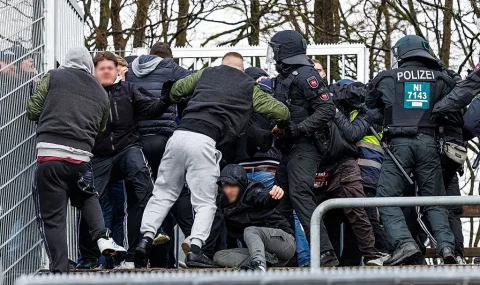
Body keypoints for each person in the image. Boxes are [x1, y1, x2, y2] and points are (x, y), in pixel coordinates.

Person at [135, 52, 290, 268]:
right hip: (205, 142)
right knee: (205, 203)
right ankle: (196, 250)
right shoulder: (248, 85)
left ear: (221, 64)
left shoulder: (206, 73)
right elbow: (279, 111)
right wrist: (282, 125)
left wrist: (165, 100)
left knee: (163, 193)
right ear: (243, 70)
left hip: (178, 137)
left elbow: (178, 89)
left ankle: (145, 239)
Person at [26, 47, 126, 273]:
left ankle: (60, 270)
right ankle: (102, 237)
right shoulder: (101, 92)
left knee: (53, 218)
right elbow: (101, 128)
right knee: (88, 195)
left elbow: (32, 111)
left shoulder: (54, 76)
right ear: (89, 66)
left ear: (67, 62)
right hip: (81, 159)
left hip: (51, 156)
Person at [365, 35, 457, 265]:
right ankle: (447, 247)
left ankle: (404, 242)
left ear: (401, 54)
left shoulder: (386, 77)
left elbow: (370, 105)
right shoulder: (440, 79)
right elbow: (457, 100)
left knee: (386, 198)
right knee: (434, 199)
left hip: (398, 145)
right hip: (429, 143)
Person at [77, 51, 170, 270]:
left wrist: (166, 100)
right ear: (95, 71)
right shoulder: (88, 94)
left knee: (141, 176)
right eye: (102, 68)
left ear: (117, 70)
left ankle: (152, 231)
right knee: (91, 201)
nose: (107, 71)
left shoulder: (128, 90)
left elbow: (151, 108)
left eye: (110, 67)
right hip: (98, 155)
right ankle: (89, 258)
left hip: (127, 147)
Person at [267, 30, 338, 266]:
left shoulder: (306, 75)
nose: (273, 55)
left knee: (300, 194)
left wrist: (298, 129)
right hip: (290, 148)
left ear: (284, 51)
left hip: (307, 144)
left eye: (275, 49)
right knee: (281, 200)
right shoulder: (285, 78)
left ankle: (325, 253)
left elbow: (327, 110)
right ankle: (288, 256)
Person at [126, 41, 194, 268]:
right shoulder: (171, 67)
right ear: (169, 57)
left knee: (141, 198)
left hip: (139, 142)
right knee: (174, 192)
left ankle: (137, 253)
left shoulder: (130, 67)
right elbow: (192, 83)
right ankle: (192, 243)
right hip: (165, 139)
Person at [213, 165, 296, 271]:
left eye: (232, 186)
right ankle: (267, 262)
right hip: (263, 252)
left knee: (250, 230)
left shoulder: (252, 190)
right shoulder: (223, 204)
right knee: (219, 256)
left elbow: (264, 199)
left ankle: (259, 266)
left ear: (241, 185)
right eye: (225, 186)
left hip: (284, 243)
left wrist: (273, 197)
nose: (228, 190)